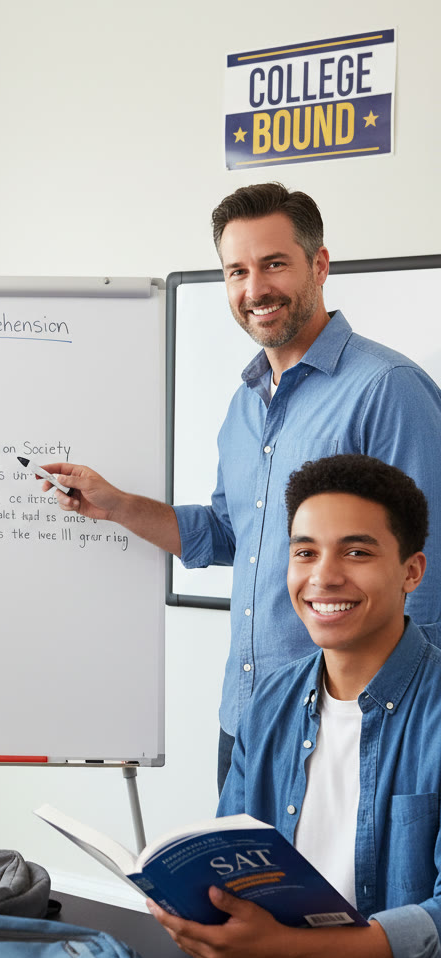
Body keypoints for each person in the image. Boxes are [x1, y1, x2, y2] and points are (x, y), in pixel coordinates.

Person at [41, 182, 441, 791]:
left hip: (348, 722)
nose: (255, 290)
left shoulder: (388, 389)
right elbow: (232, 535)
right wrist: (118, 506)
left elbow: (426, 570)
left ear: (320, 264)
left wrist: (402, 724)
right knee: (234, 887)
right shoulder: (244, 405)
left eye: (274, 264)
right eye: (237, 271)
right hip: (248, 717)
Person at [150, 454, 441, 958]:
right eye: (305, 552)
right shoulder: (269, 702)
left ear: (411, 572)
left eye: (356, 551)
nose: (323, 577)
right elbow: (229, 862)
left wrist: (285, 952)